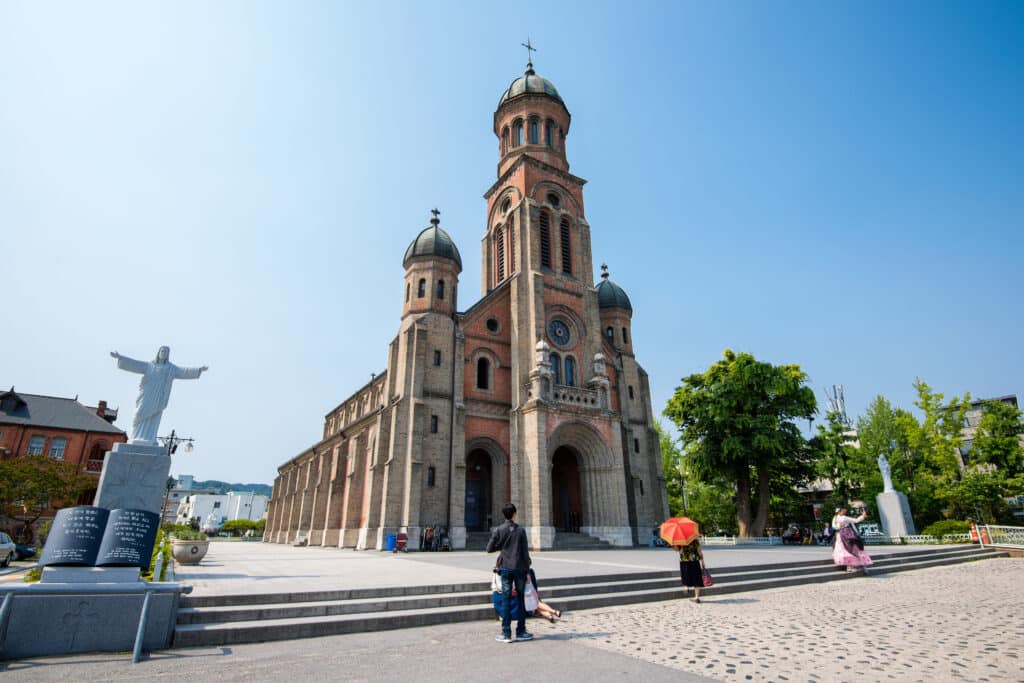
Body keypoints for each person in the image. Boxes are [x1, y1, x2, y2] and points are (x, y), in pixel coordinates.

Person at [486, 502, 533, 643]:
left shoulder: (499, 530)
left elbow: (489, 548)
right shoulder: (521, 531)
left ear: (503, 515)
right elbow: (525, 553)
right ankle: (521, 631)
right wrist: (528, 572)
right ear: (514, 514)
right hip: (519, 568)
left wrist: (502, 546)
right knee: (520, 599)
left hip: (505, 568)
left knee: (506, 599)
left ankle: (506, 633)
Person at [831, 506, 874, 573]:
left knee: (847, 549)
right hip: (845, 534)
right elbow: (855, 520)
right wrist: (862, 516)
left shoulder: (837, 517)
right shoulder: (841, 517)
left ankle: (852, 566)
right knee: (850, 548)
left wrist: (838, 526)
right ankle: (853, 566)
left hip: (842, 534)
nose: (845, 510)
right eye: (843, 509)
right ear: (840, 510)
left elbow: (834, 526)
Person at [677, 538, 705, 603]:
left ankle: (686, 587)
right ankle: (697, 597)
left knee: (685, 575)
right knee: (696, 578)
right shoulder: (695, 540)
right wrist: (703, 562)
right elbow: (699, 551)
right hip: (694, 561)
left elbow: (679, 551)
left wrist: (675, 545)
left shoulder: (680, 540)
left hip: (684, 561)